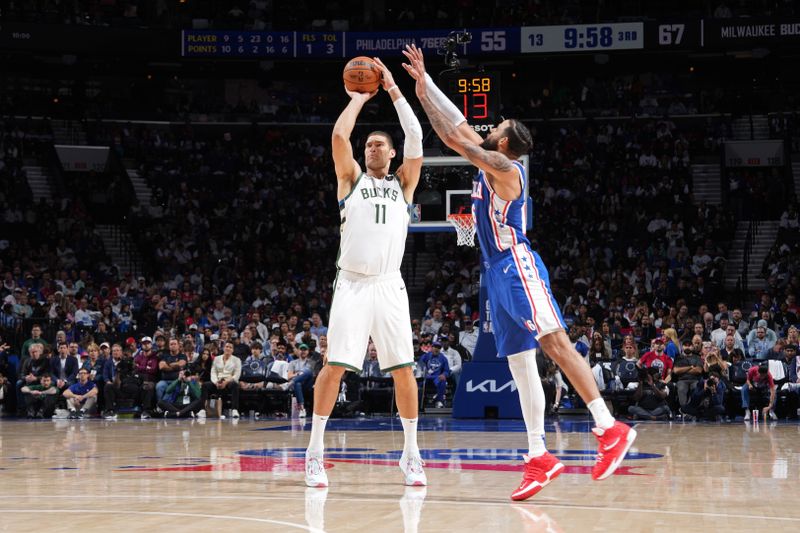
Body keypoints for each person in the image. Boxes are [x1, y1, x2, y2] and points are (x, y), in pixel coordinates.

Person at [402, 43, 635, 501]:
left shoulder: (505, 167)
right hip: (494, 273)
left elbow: (453, 136)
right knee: (521, 364)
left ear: (505, 142)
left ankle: (609, 428)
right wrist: (424, 83)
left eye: (498, 127)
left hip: (516, 265)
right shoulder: (490, 156)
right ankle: (538, 456)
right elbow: (457, 125)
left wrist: (422, 90)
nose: (491, 127)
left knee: (554, 342)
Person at [304, 57, 426, 489]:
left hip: (390, 285)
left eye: (380, 144)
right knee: (333, 368)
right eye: (369, 144)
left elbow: (415, 134)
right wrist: (357, 99)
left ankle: (411, 454)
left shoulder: (404, 183)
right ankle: (315, 451)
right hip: (352, 284)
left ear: (392, 154)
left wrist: (393, 89)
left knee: (403, 371)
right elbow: (339, 136)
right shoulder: (351, 178)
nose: (373, 147)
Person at [204, 340, 241, 418]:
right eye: (227, 346)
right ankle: (202, 410)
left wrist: (226, 382)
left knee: (235, 384)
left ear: (232, 350)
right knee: (205, 385)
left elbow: (236, 375)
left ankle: (234, 410)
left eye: (230, 347)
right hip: (218, 382)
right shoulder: (217, 359)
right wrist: (215, 382)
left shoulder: (237, 360)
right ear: (224, 348)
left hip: (229, 382)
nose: (228, 348)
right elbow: (213, 372)